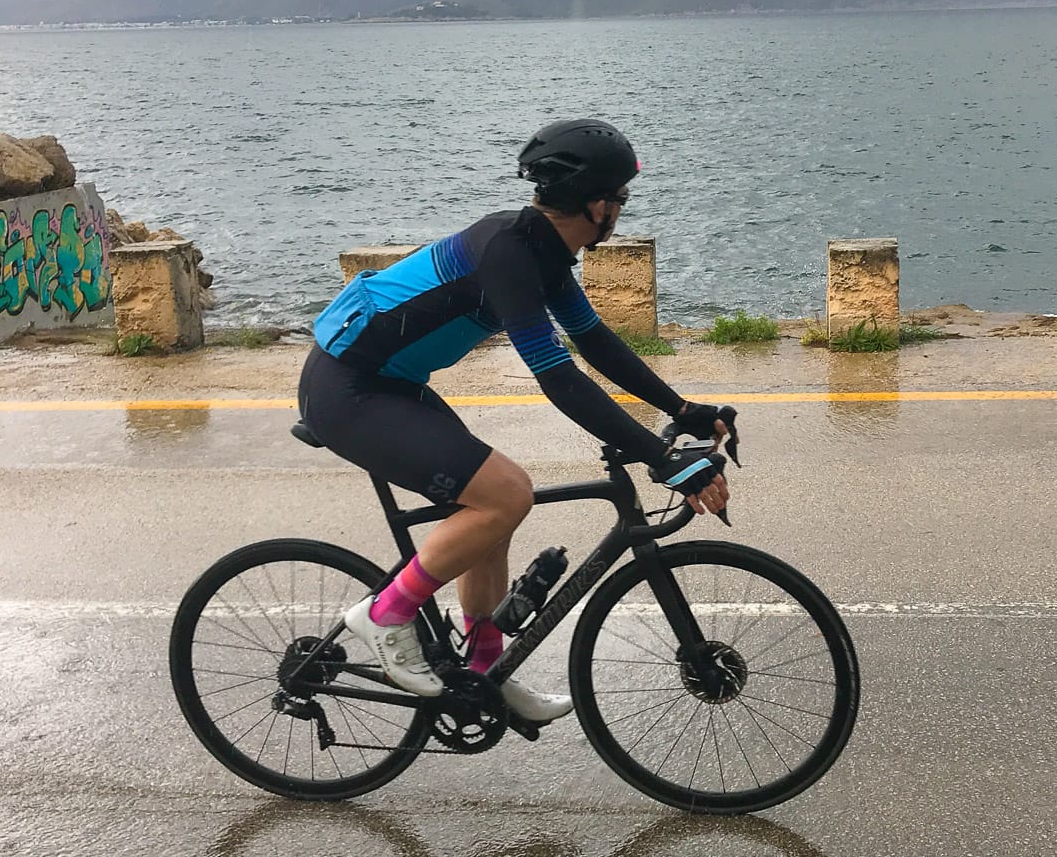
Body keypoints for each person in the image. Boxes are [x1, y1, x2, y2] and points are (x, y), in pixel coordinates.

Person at [298, 118, 732, 722]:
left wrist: (682, 410)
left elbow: (595, 343)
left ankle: (485, 673)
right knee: (506, 494)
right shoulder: (509, 253)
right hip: (347, 390)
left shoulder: (542, 252)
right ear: (596, 202)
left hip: (387, 384)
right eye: (620, 200)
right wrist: (660, 459)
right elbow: (557, 375)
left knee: (490, 510)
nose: (621, 211)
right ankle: (384, 615)